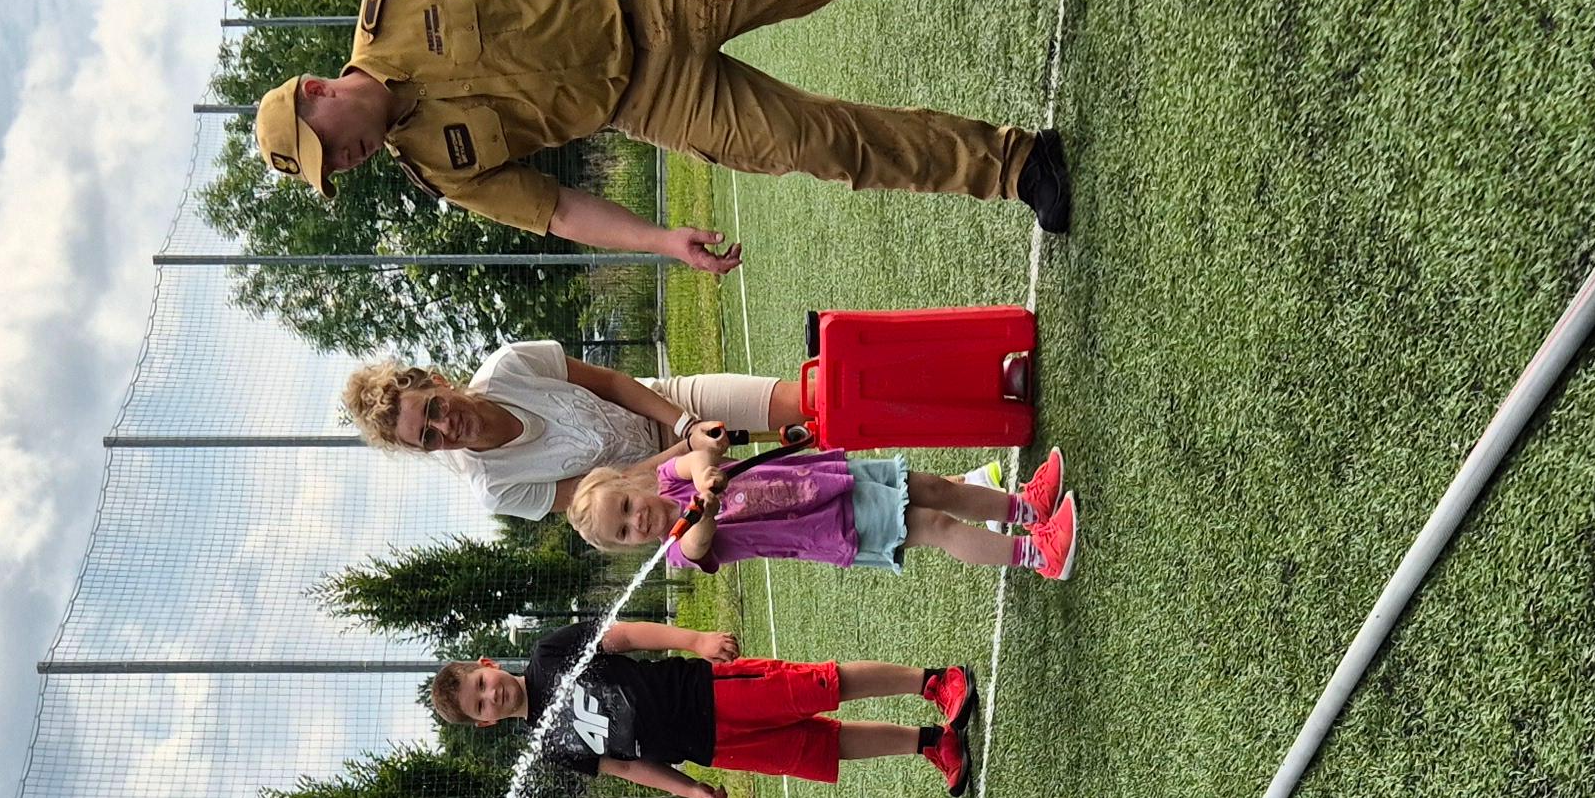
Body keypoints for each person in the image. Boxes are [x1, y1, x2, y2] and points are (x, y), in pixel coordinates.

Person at [251, 0, 1077, 265]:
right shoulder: (438, 170)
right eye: (335, 170)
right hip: (649, 102)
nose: (348, 160)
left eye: (331, 145)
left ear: (319, 89)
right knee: (819, 145)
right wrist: (659, 240)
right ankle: (1017, 166)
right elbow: (557, 210)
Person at [431, 616, 984, 798]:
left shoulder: (549, 654)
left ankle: (932, 682)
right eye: (481, 704)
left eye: (482, 683)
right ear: (485, 722)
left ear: (488, 664)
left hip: (707, 692)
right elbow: (625, 766)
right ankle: (930, 743)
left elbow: (623, 636)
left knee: (821, 686)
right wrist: (689, 788)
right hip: (711, 747)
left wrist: (694, 641)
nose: (491, 694)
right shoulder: (551, 747)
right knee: (821, 748)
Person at [344, 345, 808, 521]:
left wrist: (685, 423)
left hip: (669, 406)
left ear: (438, 382)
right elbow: (615, 490)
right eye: (428, 437)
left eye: (434, 408)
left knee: (803, 401)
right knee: (809, 491)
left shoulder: (509, 365)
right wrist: (687, 452)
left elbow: (612, 383)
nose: (445, 427)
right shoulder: (497, 489)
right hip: (667, 486)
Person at [568, 426, 1078, 580]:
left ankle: (1026, 509)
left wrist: (703, 477)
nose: (637, 520)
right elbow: (699, 543)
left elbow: (697, 459)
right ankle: (1038, 556)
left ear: (629, 483)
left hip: (828, 481)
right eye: (625, 531)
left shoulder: (665, 476)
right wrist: (705, 510)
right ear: (629, 546)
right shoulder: (675, 548)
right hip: (833, 527)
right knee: (935, 524)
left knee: (933, 488)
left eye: (626, 506)